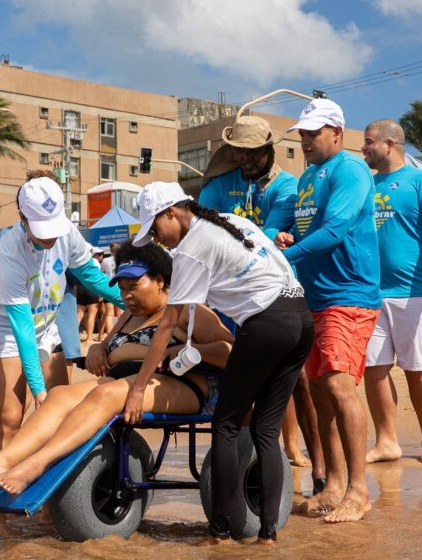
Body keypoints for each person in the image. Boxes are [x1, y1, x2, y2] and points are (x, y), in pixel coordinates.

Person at [0, 240, 233, 491]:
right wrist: (96, 349)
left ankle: (35, 466)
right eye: (123, 288)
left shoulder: (187, 310)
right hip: (123, 382)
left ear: (160, 280)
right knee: (59, 395)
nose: (126, 295)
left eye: (134, 286)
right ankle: (4, 460)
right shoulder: (128, 317)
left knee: (105, 395)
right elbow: (106, 345)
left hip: (179, 384)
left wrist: (181, 350)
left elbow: (229, 349)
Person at [128, 182, 311, 545]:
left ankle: (220, 533)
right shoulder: (230, 221)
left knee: (225, 424)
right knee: (266, 431)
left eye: (154, 229)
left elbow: (167, 324)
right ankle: (268, 535)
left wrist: (137, 389)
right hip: (302, 319)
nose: (155, 239)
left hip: (267, 323)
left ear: (171, 212)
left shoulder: (192, 248)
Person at [0, 174, 124, 536]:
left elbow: (93, 277)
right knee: (10, 418)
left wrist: (132, 300)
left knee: (62, 414)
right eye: (40, 228)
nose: (49, 236)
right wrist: (38, 390)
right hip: (5, 332)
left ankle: (46, 505)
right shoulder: (8, 250)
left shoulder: (68, 235)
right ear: (22, 218)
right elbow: (21, 326)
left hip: (49, 326)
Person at [198, 113, 324, 488]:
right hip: (230, 299)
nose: (245, 161)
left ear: (269, 149)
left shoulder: (287, 187)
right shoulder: (220, 184)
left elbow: (263, 238)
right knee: (238, 378)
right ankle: (260, 456)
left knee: (297, 380)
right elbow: (201, 224)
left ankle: (314, 462)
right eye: (238, 153)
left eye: (253, 153)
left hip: (274, 296)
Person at [274, 99, 380, 523]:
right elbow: (309, 229)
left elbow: (336, 230)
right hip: (314, 297)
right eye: (301, 134)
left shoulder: (350, 170)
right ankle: (334, 484)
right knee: (319, 392)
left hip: (349, 295)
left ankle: (359, 491)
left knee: (339, 385)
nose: (305, 141)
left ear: (338, 132)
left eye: (313, 133)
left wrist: (290, 255)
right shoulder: (307, 177)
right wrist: (285, 241)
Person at [361, 119, 422, 465]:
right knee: (374, 368)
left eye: (369, 142)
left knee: (418, 368)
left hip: (417, 292)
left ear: (390, 144)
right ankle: (387, 441)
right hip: (371, 292)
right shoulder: (366, 186)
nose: (364, 148)